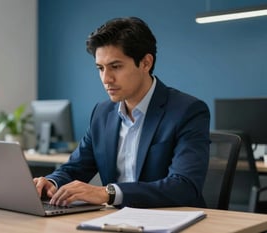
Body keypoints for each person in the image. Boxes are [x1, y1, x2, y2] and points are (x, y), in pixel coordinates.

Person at [34, 16, 210, 208]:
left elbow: (184, 186)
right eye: (100, 68)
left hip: (170, 221)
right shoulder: (102, 113)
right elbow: (76, 167)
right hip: (115, 221)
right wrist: (51, 182)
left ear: (145, 63)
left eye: (115, 67)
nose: (106, 78)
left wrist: (108, 193)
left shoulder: (187, 111)